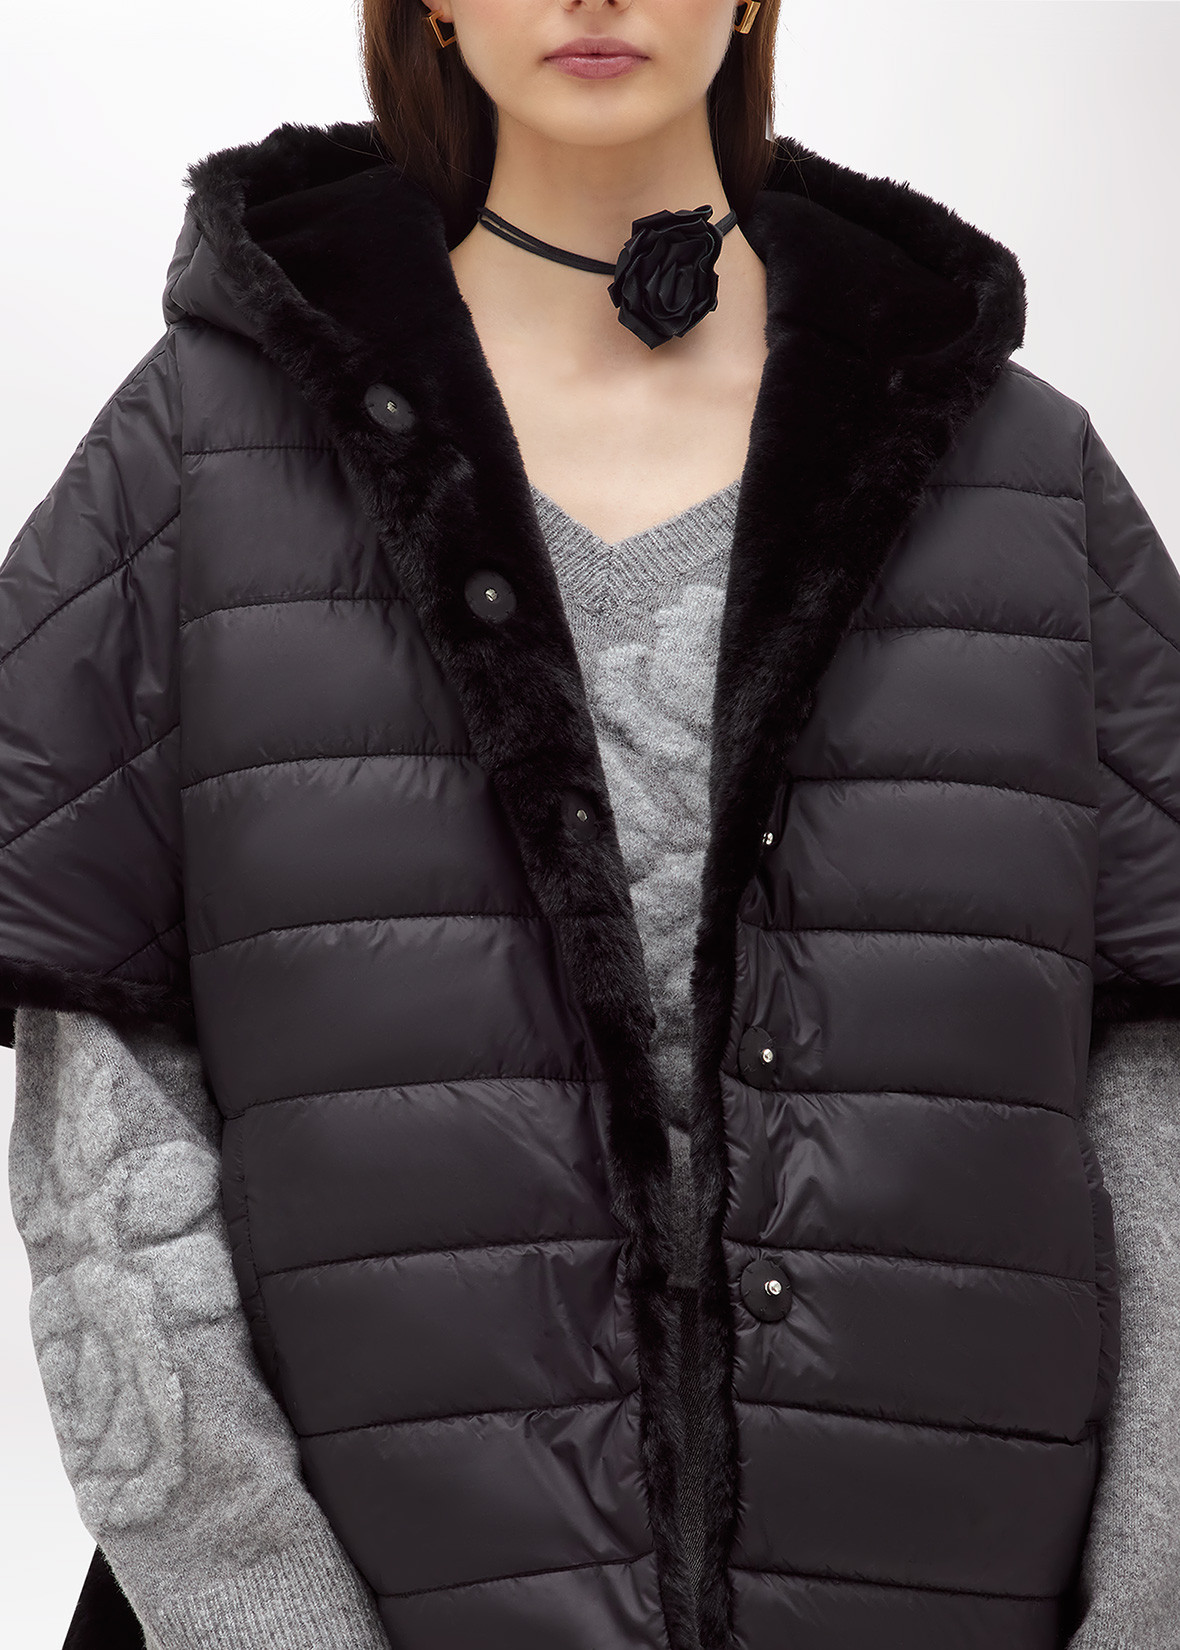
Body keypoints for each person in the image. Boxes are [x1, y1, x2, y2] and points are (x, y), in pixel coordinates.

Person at [3, 2, 1178, 1647]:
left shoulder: (1024, 476)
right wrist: (257, 1617)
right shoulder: (198, 460)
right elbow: (99, 1129)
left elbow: (1154, 1095)